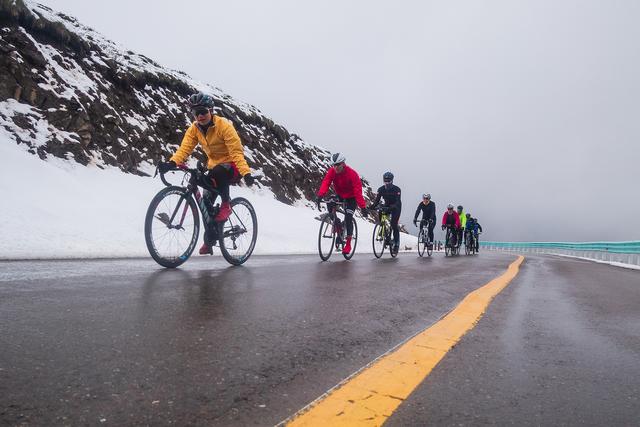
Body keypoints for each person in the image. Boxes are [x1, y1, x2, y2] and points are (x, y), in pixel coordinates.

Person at [158, 92, 255, 255]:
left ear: (211, 110)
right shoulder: (194, 129)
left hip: (232, 166)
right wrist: (172, 163)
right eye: (196, 113)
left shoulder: (224, 125)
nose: (200, 116)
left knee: (219, 171)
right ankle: (209, 240)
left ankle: (226, 205)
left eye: (203, 111)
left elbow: (237, 153)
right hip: (213, 166)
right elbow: (184, 149)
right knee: (206, 204)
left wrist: (246, 173)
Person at [317, 153, 367, 255]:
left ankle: (348, 243)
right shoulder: (332, 171)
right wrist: (320, 196)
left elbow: (358, 192)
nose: (335, 167)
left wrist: (363, 207)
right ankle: (337, 224)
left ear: (343, 163)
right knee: (330, 202)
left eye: (338, 165)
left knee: (348, 217)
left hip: (351, 198)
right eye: (333, 165)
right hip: (340, 194)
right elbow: (326, 182)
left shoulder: (352, 174)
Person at [369, 172, 402, 253]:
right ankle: (384, 231)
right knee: (381, 214)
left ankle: (396, 244)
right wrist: (372, 207)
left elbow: (398, 201)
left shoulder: (397, 189)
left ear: (392, 180)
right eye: (385, 181)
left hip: (396, 207)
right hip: (386, 205)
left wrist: (392, 207)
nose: (387, 182)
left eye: (388, 181)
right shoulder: (380, 189)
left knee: (394, 224)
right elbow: (376, 201)